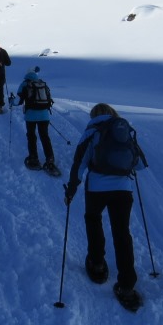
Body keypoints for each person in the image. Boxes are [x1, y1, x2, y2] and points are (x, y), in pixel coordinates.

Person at [64, 103, 145, 310]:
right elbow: (140, 164)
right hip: (123, 189)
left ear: (93, 115)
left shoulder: (91, 131)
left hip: (97, 189)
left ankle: (97, 264)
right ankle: (127, 286)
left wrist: (72, 189)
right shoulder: (124, 131)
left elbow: (79, 162)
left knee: (93, 220)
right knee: (122, 233)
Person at [13, 68, 59, 175]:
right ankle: (50, 160)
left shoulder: (24, 84)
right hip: (44, 115)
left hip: (31, 116)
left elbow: (17, 101)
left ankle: (34, 159)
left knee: (31, 136)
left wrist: (11, 101)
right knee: (45, 137)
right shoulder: (42, 84)